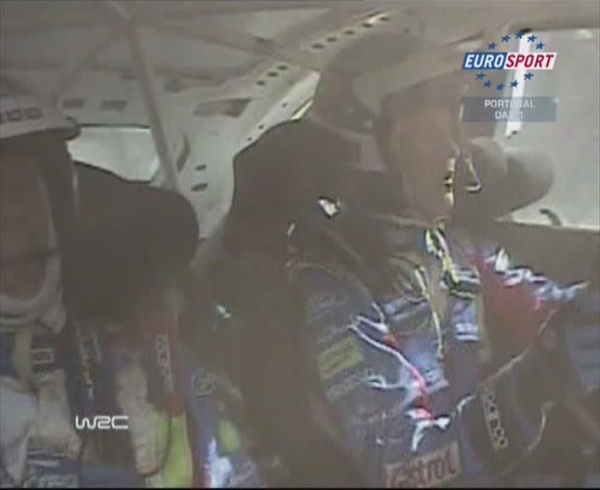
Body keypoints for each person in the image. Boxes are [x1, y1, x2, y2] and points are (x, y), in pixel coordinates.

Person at [217, 32, 600, 487]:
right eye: (432, 134)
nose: (454, 150)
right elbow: (400, 465)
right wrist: (532, 386)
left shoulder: (451, 246)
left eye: (453, 127)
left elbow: (542, 310)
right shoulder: (332, 286)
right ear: (370, 151)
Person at [0, 74, 265, 488]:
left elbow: (226, 463)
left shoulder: (138, 334)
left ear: (59, 201)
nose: (8, 227)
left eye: (18, 193)